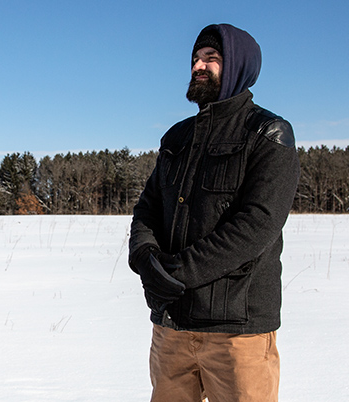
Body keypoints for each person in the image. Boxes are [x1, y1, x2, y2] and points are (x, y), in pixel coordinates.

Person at [129, 23, 300, 402]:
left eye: (211, 59)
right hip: (172, 326)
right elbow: (148, 209)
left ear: (238, 66)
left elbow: (257, 225)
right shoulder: (177, 138)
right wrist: (144, 258)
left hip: (237, 333)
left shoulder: (269, 134)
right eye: (195, 59)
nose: (198, 67)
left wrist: (176, 271)